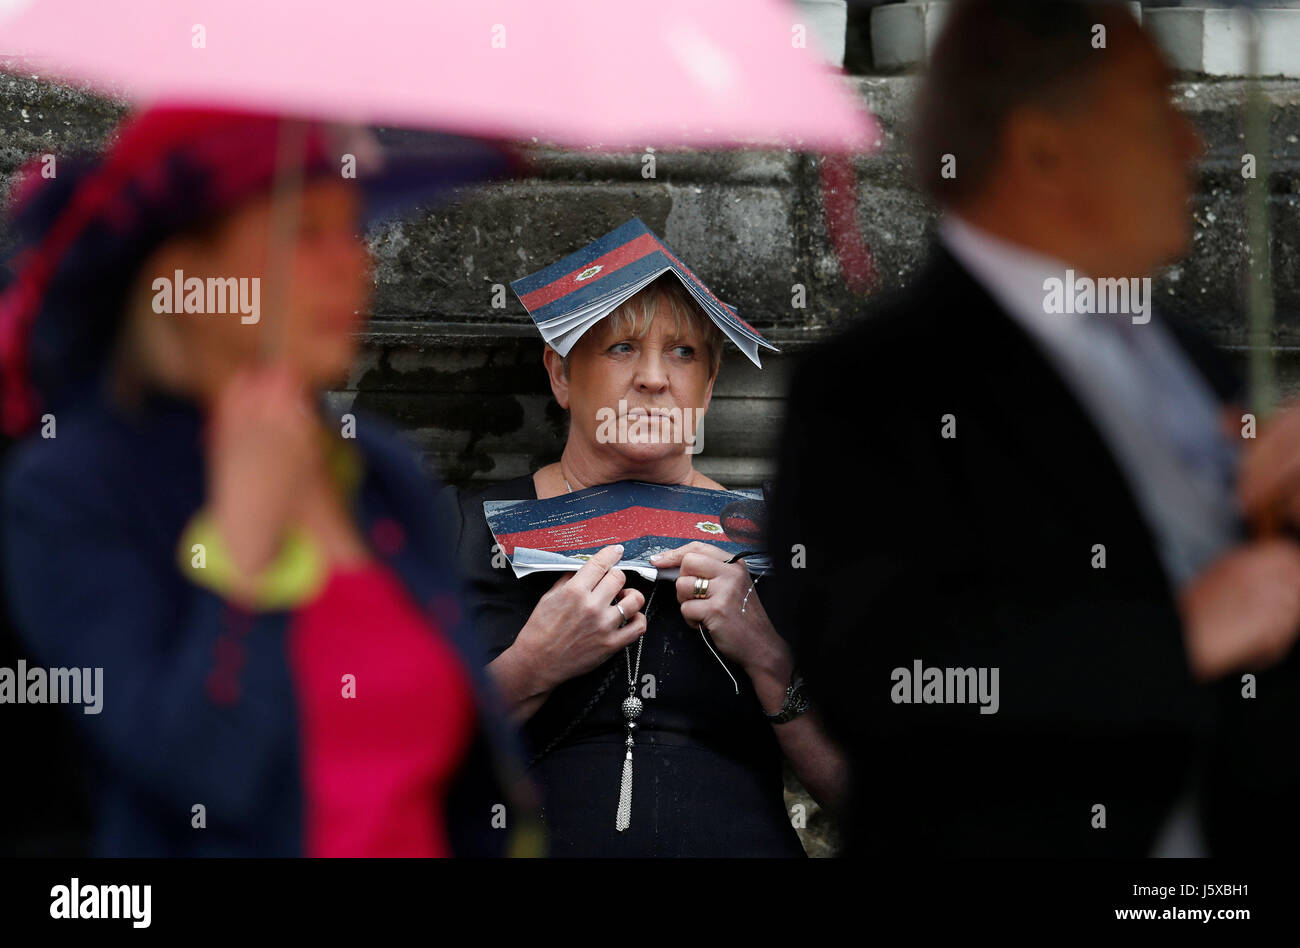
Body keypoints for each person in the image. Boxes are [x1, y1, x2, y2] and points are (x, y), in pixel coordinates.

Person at [765, 0, 1300, 857]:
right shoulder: (871, 386)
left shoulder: (1194, 359)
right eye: (1154, 108)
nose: (1192, 145)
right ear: (1044, 150)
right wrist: (1179, 636)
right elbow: (891, 678)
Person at [0, 106, 538, 857]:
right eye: (303, 233)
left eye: (349, 231)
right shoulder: (74, 488)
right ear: (183, 277)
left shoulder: (377, 470)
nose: (350, 264)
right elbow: (195, 771)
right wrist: (244, 540)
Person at [445, 257, 846, 856]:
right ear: (560, 374)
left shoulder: (783, 539)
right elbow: (374, 760)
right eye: (621, 347)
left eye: (683, 351)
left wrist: (765, 654)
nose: (655, 378)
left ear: (708, 387)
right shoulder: (459, 531)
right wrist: (531, 664)